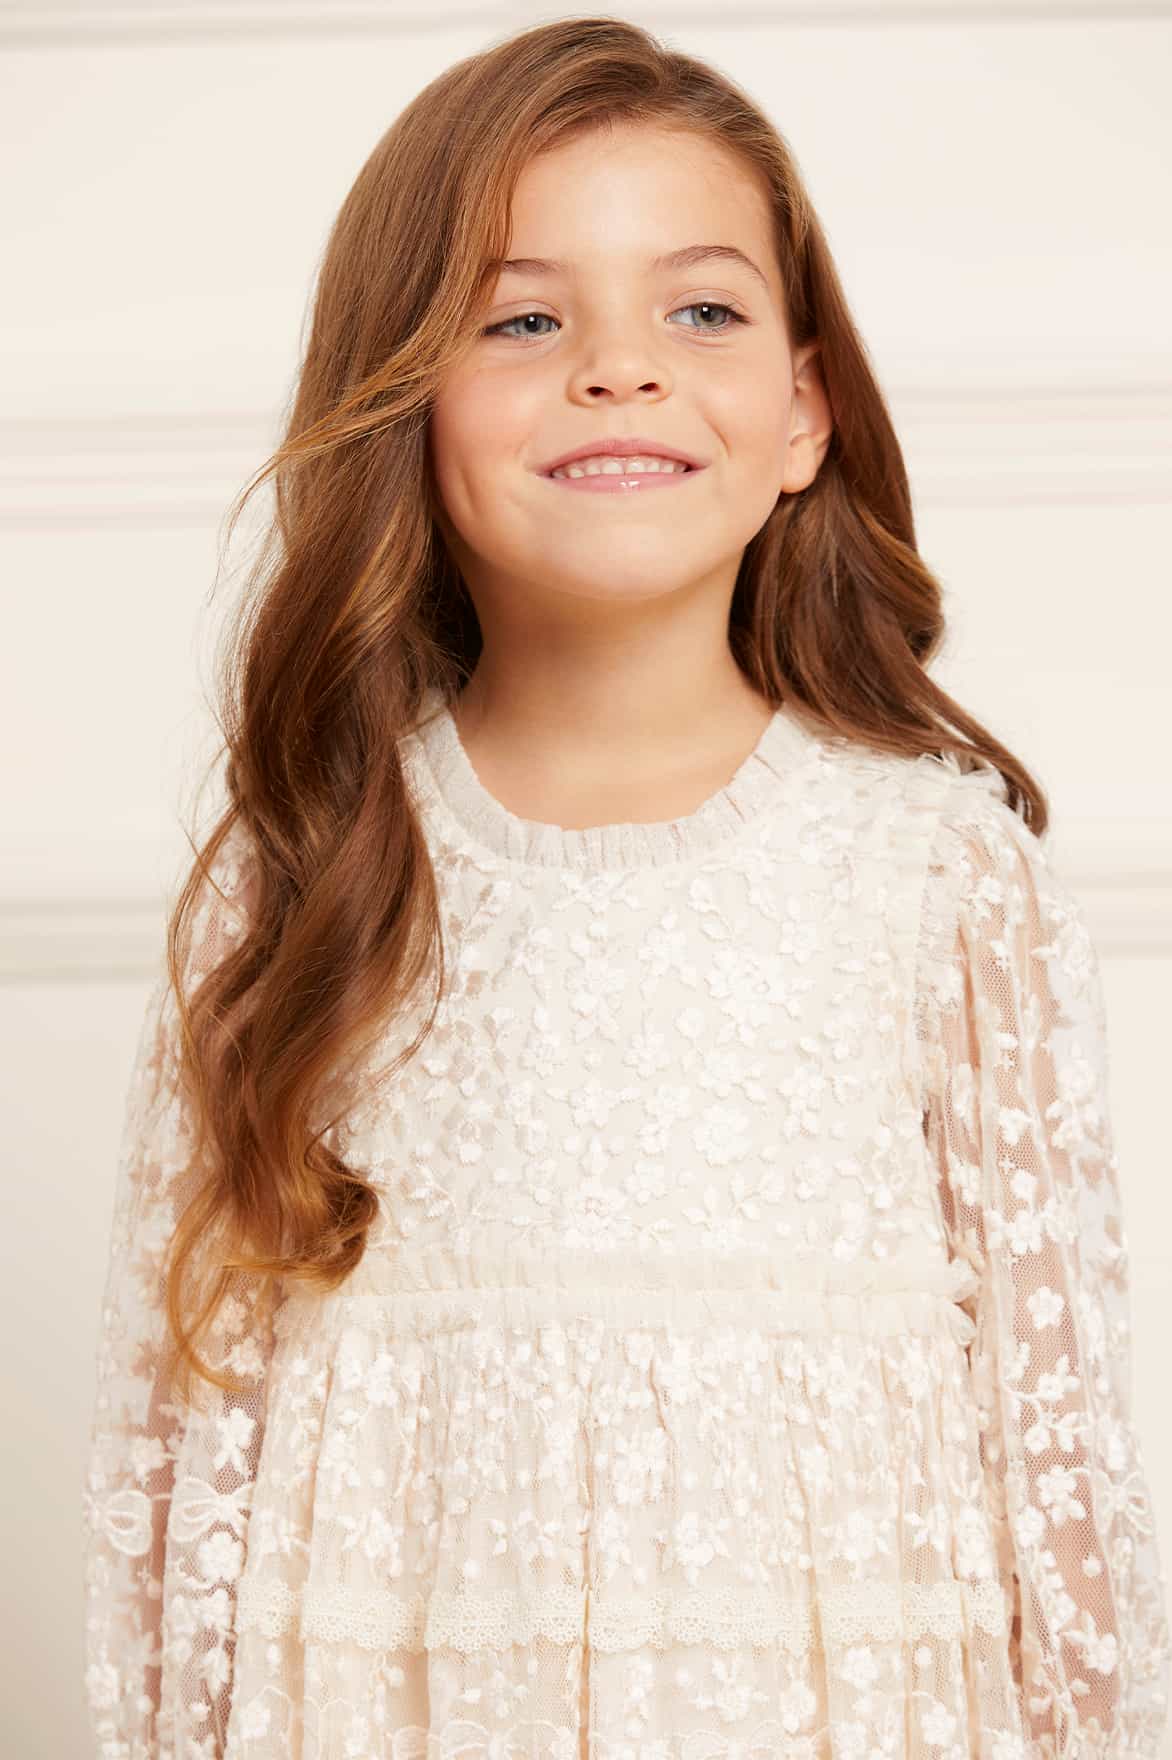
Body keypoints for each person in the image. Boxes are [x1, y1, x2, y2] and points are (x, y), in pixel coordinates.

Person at [81, 15, 1170, 1759]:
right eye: (524, 319)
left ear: (805, 414)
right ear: (407, 402)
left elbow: (1062, 1464)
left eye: (702, 310)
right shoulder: (304, 880)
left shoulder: (940, 871)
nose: (619, 371)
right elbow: (178, 1480)